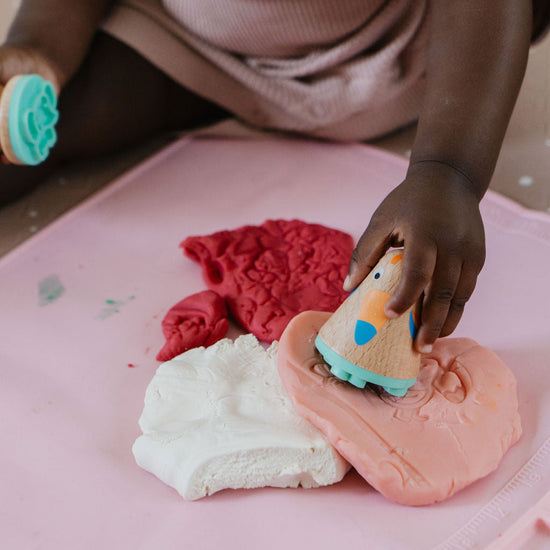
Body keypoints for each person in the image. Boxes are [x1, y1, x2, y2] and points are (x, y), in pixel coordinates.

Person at [1, 0, 549, 353]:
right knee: (44, 127)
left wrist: (448, 168)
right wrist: (38, 49)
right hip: (191, 45)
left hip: (408, 46)